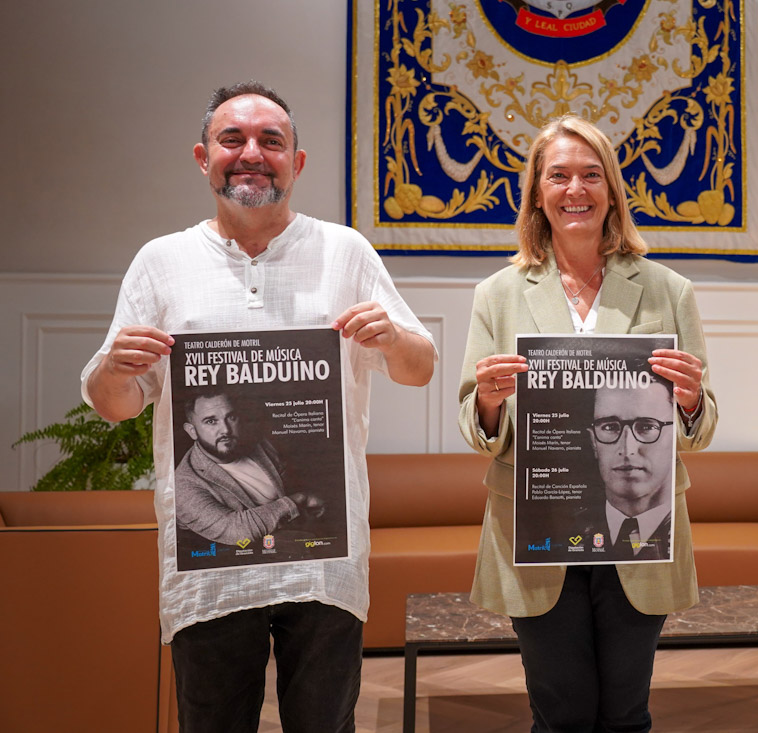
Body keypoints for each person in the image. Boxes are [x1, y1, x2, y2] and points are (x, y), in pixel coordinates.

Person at [81, 81, 436, 733]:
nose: (252, 153)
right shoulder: (161, 263)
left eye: (271, 141)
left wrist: (394, 335)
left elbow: (419, 369)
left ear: (296, 161)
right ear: (202, 156)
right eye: (232, 139)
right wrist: (112, 368)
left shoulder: (347, 252)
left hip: (324, 560)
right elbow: (115, 404)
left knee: (326, 724)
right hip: (210, 571)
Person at [458, 114, 717, 732]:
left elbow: (700, 428)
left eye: (591, 176)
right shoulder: (498, 293)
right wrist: (491, 401)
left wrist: (686, 400)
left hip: (640, 532)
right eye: (559, 176)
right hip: (538, 528)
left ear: (611, 191)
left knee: (627, 713)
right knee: (559, 712)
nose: (576, 190)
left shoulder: (668, 290)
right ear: (537, 194)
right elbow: (475, 425)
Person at [175, 391, 325, 546]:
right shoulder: (184, 484)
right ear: (192, 431)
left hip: (295, 536)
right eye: (211, 421)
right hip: (236, 557)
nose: (226, 430)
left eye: (231, 417)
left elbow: (291, 481)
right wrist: (301, 499)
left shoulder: (258, 443)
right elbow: (236, 531)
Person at [583, 377, 676, 561]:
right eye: (610, 427)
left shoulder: (681, 532)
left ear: (675, 434)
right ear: (593, 441)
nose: (628, 450)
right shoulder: (563, 531)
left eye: (647, 426)